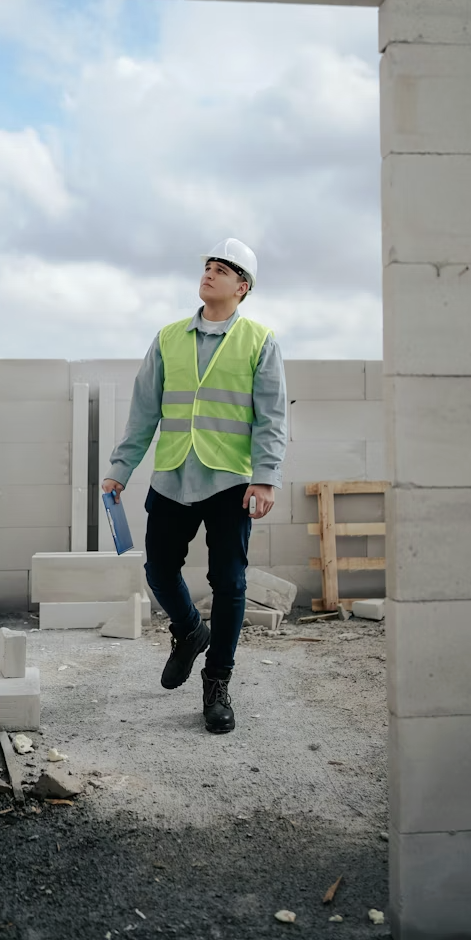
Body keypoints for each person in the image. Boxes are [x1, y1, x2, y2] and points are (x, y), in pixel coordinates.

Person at [102, 238, 287, 734]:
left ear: (242, 287)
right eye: (207, 265)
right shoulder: (167, 338)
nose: (209, 272)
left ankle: (217, 683)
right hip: (173, 474)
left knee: (229, 584)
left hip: (231, 480)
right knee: (159, 570)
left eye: (222, 269)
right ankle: (188, 631)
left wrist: (266, 478)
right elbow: (144, 412)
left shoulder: (259, 341)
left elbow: (271, 418)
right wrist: (120, 468)